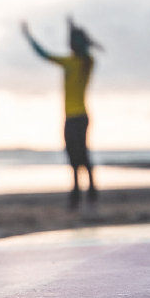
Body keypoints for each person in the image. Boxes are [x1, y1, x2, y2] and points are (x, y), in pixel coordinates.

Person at [21, 18, 100, 208]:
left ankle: (88, 193)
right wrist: (29, 37)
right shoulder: (71, 62)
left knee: (81, 154)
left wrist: (74, 30)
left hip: (79, 116)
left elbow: (49, 54)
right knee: (74, 156)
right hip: (71, 117)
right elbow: (44, 54)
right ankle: (79, 194)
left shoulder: (84, 62)